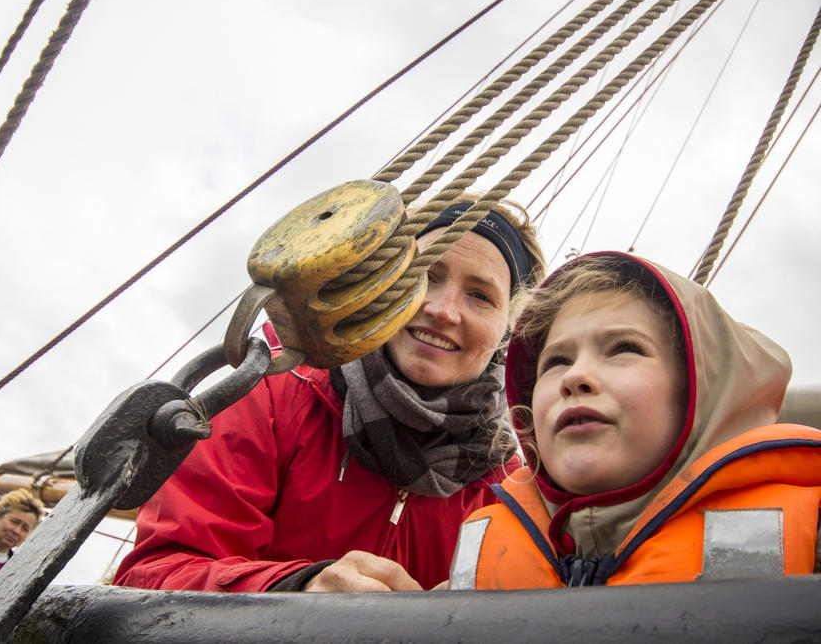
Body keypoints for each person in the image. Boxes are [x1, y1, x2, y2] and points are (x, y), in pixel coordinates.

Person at [114, 197, 546, 592]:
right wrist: (298, 589)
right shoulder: (271, 394)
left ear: (509, 328)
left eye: (480, 296)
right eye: (425, 276)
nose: (443, 310)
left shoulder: (508, 486)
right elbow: (156, 575)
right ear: (385, 285)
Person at [448, 251, 821, 590]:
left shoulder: (811, 535)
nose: (575, 377)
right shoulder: (473, 565)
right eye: (557, 361)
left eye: (625, 349)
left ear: (697, 388)